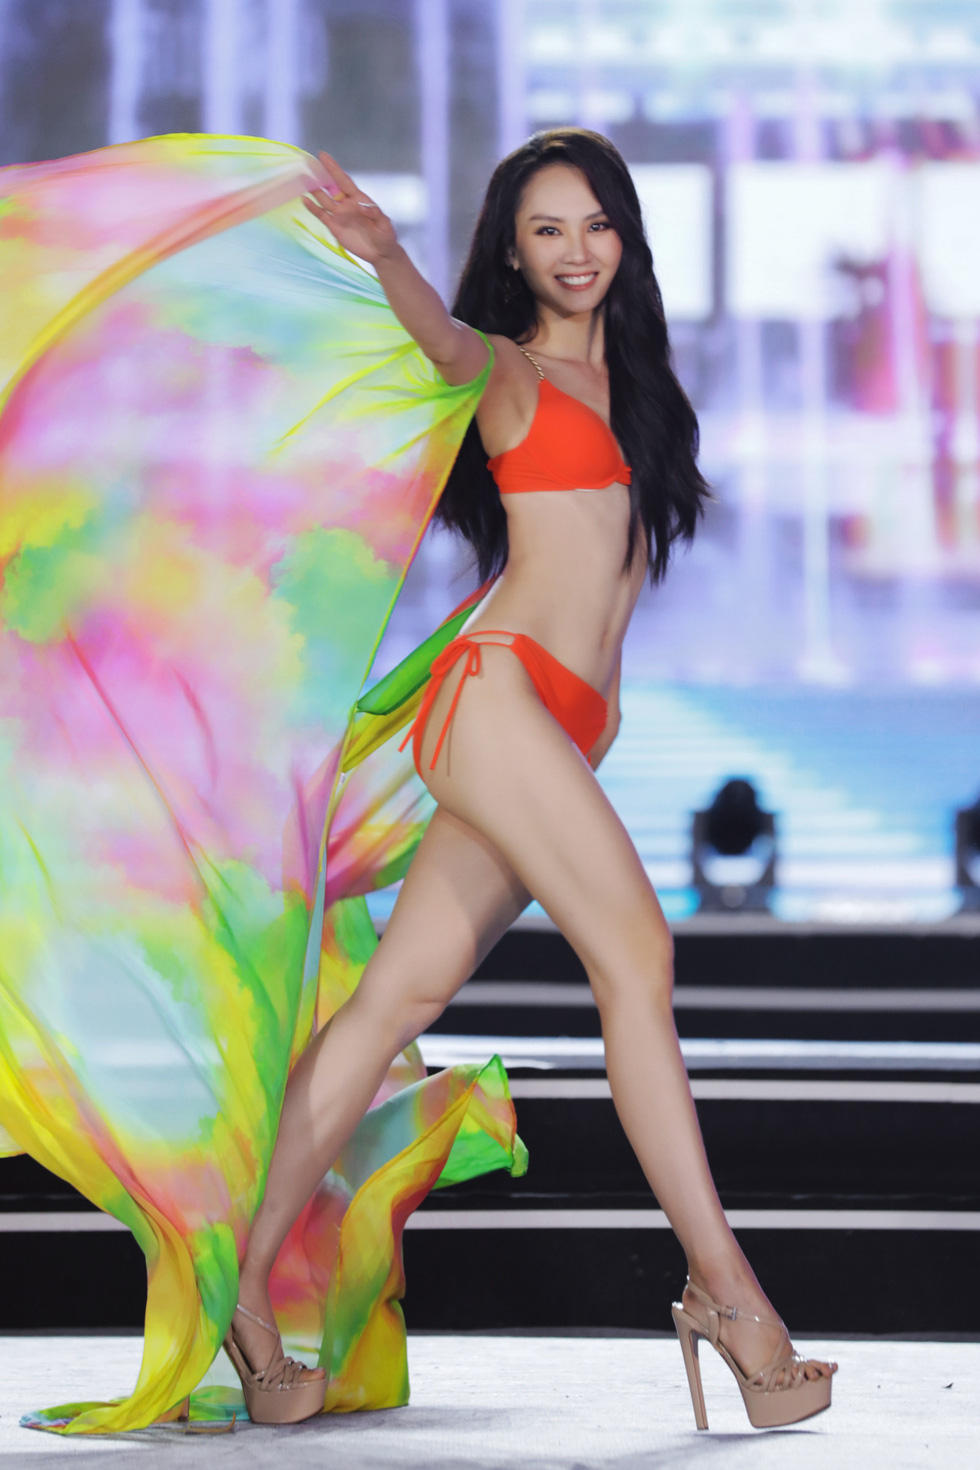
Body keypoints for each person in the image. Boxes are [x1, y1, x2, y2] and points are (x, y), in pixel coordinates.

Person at [223, 127, 837, 1432]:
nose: (575, 250)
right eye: (546, 228)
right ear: (511, 249)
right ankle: (729, 1294)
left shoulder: (644, 394)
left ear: (627, 238)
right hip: (495, 702)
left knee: (397, 997)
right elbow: (444, 348)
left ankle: (242, 1285)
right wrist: (386, 257)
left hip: (552, 727)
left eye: (596, 224)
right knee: (639, 957)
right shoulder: (507, 370)